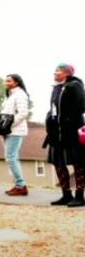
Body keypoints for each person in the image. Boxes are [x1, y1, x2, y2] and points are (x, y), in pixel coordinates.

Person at [44, 63, 85, 207]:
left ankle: (80, 196)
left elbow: (81, 106)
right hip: (56, 132)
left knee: (78, 163)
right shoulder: (56, 88)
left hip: (71, 131)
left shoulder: (75, 85)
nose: (54, 74)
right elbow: (54, 108)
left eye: (57, 71)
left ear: (66, 73)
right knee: (58, 162)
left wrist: (68, 120)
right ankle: (66, 195)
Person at [1, 74, 32, 196]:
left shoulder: (20, 95)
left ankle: (21, 186)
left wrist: (9, 124)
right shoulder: (11, 95)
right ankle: (18, 185)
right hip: (8, 131)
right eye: (6, 80)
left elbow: (23, 113)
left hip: (15, 131)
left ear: (16, 82)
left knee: (11, 157)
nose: (6, 82)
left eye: (9, 80)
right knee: (10, 158)